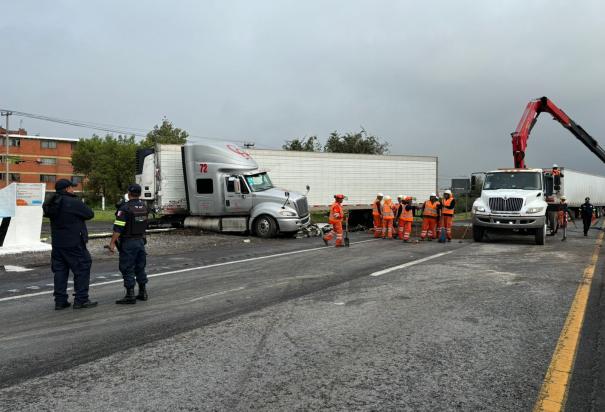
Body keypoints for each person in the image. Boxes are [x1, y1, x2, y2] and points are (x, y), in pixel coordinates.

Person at [42, 179, 97, 310]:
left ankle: (60, 301)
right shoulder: (73, 202)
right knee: (83, 267)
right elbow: (90, 214)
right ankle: (81, 299)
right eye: (71, 187)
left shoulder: (52, 202)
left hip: (57, 243)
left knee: (60, 271)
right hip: (74, 243)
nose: (73, 190)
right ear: (67, 189)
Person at [108, 184, 149, 304]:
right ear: (140, 194)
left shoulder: (124, 208)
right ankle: (143, 292)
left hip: (128, 242)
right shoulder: (144, 207)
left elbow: (118, 228)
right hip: (140, 241)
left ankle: (130, 295)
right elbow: (144, 225)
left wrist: (112, 243)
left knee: (127, 267)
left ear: (129, 193)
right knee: (140, 267)